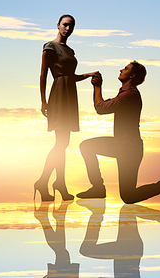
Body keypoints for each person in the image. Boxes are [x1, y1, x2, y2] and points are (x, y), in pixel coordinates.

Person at [77, 61, 160, 203]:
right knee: (86, 146)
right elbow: (104, 106)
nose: (121, 70)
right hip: (121, 145)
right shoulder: (124, 94)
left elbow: (101, 108)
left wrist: (97, 86)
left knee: (128, 196)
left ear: (132, 75)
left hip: (129, 149)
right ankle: (97, 188)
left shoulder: (129, 95)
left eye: (125, 68)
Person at [35, 14, 98, 202]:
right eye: (65, 25)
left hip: (70, 94)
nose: (68, 29)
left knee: (64, 143)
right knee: (60, 143)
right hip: (59, 95)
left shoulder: (70, 50)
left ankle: (58, 183)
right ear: (58, 25)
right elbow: (43, 75)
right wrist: (43, 101)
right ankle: (46, 182)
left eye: (71, 26)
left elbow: (70, 76)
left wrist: (86, 75)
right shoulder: (50, 47)